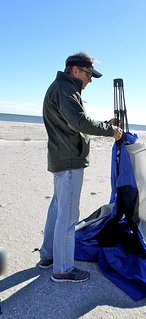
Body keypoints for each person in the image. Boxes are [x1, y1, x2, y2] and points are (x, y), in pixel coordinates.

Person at [39, 52, 123, 283]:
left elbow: (74, 126)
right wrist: (111, 132)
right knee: (67, 216)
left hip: (62, 158)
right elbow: (79, 123)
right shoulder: (66, 90)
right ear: (74, 70)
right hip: (68, 161)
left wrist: (105, 124)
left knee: (58, 209)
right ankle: (63, 269)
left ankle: (47, 257)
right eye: (88, 74)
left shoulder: (63, 88)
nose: (90, 80)